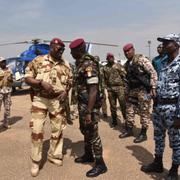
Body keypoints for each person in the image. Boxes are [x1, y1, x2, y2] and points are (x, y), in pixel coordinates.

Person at [25, 38, 72, 177]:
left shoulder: (66, 64)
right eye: (59, 49)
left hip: (57, 102)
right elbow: (27, 78)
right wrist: (40, 83)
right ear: (52, 47)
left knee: (58, 130)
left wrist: (65, 92)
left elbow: (70, 82)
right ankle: (35, 161)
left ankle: (54, 155)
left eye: (63, 50)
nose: (61, 52)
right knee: (37, 130)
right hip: (40, 100)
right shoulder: (38, 60)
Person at [141, 33, 180, 180]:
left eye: (167, 42)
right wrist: (149, 95)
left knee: (175, 142)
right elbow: (158, 86)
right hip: (158, 109)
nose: (163, 45)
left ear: (176, 44)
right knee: (158, 138)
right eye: (162, 42)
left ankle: (174, 171)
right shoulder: (163, 64)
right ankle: (157, 163)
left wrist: (179, 116)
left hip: (173, 110)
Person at [69, 38, 107, 177]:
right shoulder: (80, 64)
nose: (71, 53)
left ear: (79, 50)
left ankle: (100, 164)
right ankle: (88, 155)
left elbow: (93, 89)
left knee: (93, 133)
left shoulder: (88, 64)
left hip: (90, 106)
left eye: (72, 51)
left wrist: (89, 112)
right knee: (85, 130)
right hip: (83, 105)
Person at [119, 43, 157, 143]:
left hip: (143, 90)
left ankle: (143, 133)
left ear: (133, 50)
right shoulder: (126, 64)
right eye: (125, 52)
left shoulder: (141, 60)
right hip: (132, 90)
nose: (127, 53)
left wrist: (153, 87)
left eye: (128, 51)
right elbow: (126, 80)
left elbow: (152, 72)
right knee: (129, 110)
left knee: (144, 111)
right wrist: (126, 93)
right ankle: (129, 129)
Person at [103, 53, 126, 126]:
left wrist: (124, 86)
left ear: (113, 58)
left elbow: (124, 75)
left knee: (123, 104)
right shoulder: (105, 68)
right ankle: (114, 120)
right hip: (110, 89)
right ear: (107, 59)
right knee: (112, 106)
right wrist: (105, 87)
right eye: (109, 58)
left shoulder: (118, 66)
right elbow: (104, 78)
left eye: (111, 57)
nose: (110, 59)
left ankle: (126, 120)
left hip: (119, 88)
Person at [0, 57, 13, 129]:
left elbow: (12, 79)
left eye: (4, 61)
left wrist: (10, 79)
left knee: (7, 108)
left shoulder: (9, 70)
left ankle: (6, 123)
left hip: (8, 91)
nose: (3, 63)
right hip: (0, 92)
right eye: (2, 62)